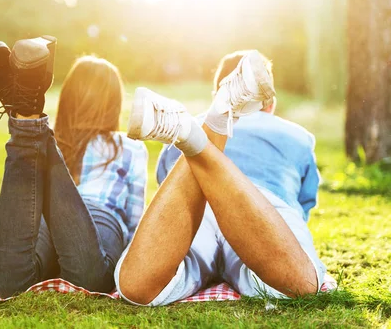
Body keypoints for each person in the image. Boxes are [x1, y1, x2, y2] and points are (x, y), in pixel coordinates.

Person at [114, 50, 327, 306]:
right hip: (264, 208)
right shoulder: (297, 136)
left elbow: (166, 197)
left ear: (216, 94)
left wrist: (197, 141)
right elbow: (303, 204)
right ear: (268, 102)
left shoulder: (177, 126)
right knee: (300, 284)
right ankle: (212, 129)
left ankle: (200, 136)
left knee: (137, 288)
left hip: (197, 205)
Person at [0, 36, 148, 298]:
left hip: (47, 215)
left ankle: (25, 115)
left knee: (8, 284)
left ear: (68, 97)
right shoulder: (129, 146)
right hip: (100, 217)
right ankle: (26, 114)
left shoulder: (47, 140)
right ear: (114, 102)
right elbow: (135, 223)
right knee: (82, 279)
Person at [157, 51, 320, 222]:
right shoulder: (297, 137)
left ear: (216, 100)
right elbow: (305, 200)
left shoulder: (184, 131)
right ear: (270, 104)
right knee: (287, 232)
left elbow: (166, 184)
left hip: (199, 210)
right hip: (273, 208)